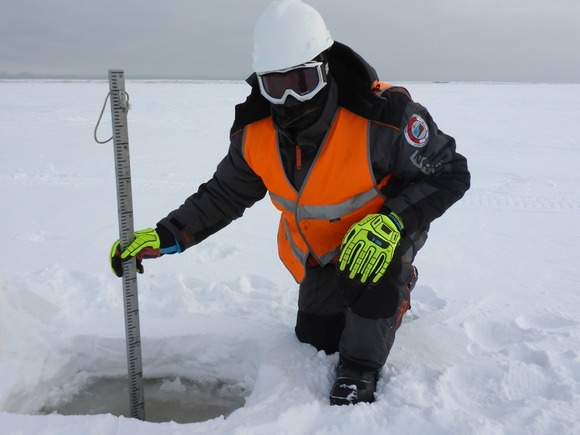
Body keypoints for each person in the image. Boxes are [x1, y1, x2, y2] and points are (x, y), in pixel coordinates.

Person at [110, 0, 470, 406]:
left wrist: (392, 223)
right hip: (321, 247)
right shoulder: (255, 135)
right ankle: (360, 299)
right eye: (277, 85)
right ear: (261, 82)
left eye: (304, 80)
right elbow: (224, 194)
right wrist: (165, 235)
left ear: (326, 67)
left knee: (367, 302)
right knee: (317, 337)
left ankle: (366, 356)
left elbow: (450, 172)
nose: (291, 98)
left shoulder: (384, 117)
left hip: (382, 232)